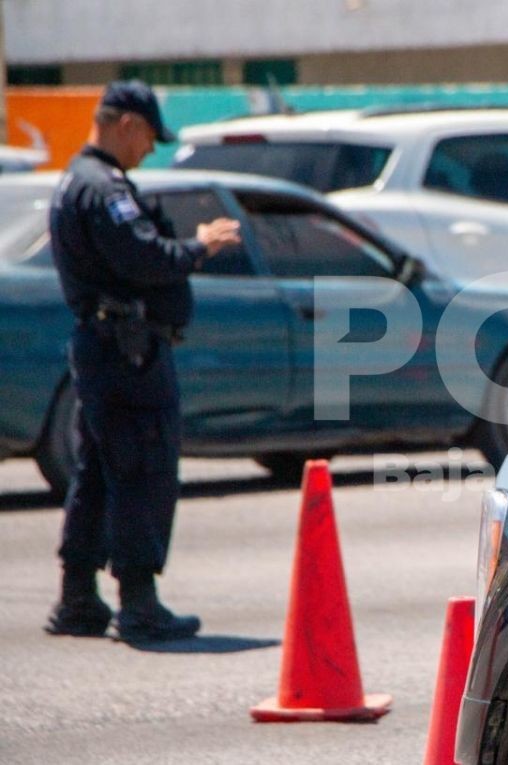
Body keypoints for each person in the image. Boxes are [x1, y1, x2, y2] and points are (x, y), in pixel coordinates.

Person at [44, 80, 242, 642]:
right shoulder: (105, 188)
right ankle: (138, 601)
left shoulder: (74, 181)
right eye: (149, 138)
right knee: (142, 469)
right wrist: (199, 246)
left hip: (103, 347)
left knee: (98, 471)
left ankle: (78, 596)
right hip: (126, 352)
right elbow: (144, 257)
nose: (149, 150)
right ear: (127, 124)